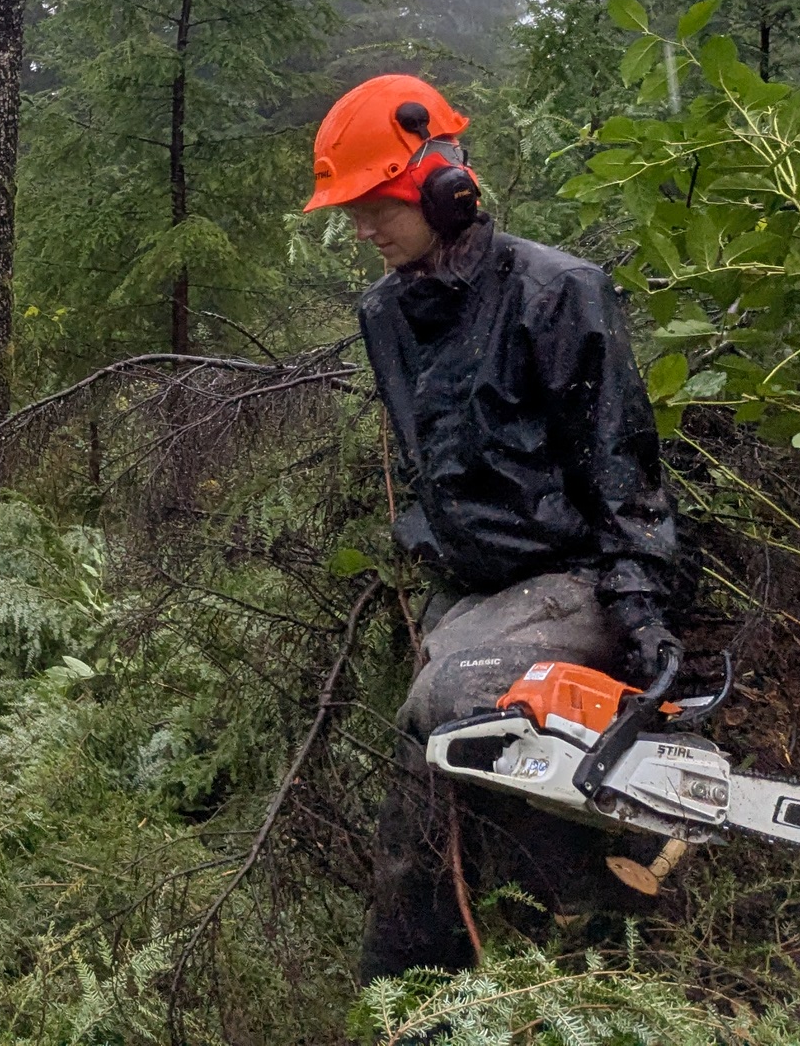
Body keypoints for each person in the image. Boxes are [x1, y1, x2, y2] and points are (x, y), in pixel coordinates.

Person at [305, 74, 683, 978]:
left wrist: (640, 617)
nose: (361, 227)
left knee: (445, 711)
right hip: (473, 592)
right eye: (348, 207)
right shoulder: (387, 313)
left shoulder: (559, 293)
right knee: (443, 766)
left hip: (575, 574)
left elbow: (623, 474)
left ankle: (420, 984)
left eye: (373, 202)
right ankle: (460, 986)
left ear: (442, 184)